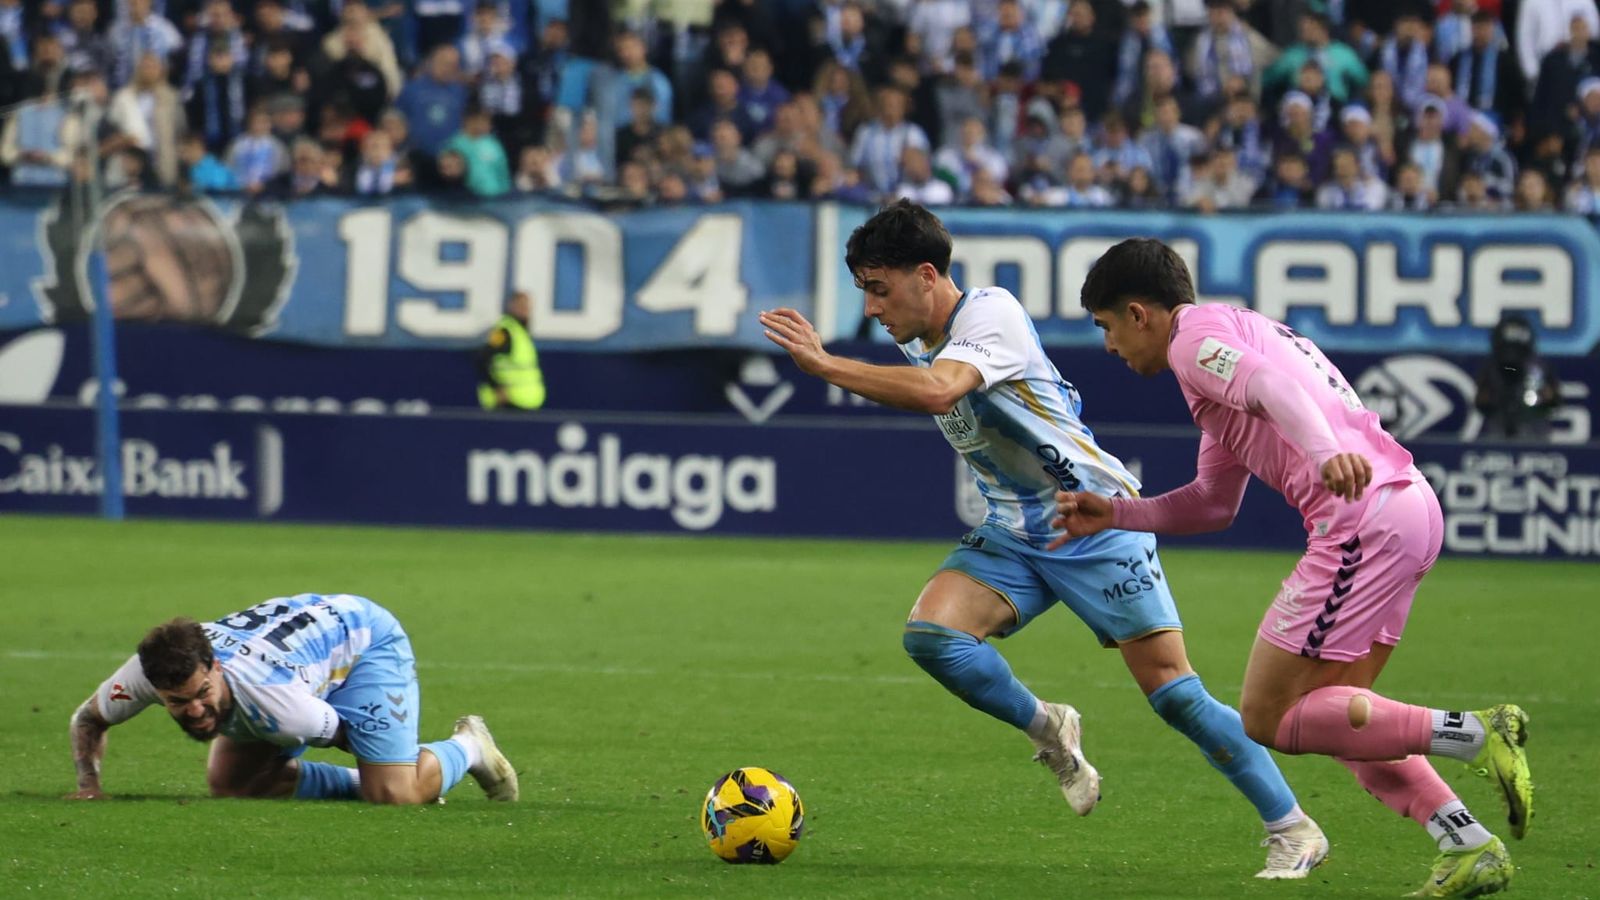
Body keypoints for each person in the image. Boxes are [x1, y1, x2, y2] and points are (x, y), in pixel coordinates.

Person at [759, 201, 1328, 879]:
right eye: (864, 293)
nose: (874, 308)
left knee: (1175, 694)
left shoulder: (988, 312)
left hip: (1093, 520)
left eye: (880, 290)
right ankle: (1049, 728)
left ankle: (1293, 828)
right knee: (932, 638)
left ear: (928, 275)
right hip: (1017, 526)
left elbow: (943, 393)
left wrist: (825, 365)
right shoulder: (915, 335)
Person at [1061, 238, 1534, 898]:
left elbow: (1274, 387)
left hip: (1361, 518)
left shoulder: (1193, 345)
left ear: (1139, 313)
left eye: (1108, 327)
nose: (1111, 346)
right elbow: (1212, 504)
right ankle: (1468, 844)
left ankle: (1476, 732)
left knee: (1265, 715)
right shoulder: (1231, 338)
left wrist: (1322, 452)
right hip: (1408, 507)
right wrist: (1114, 513)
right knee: (1337, 717)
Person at [68, 593, 518, 805]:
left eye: (202, 694)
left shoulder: (281, 708)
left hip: (363, 644)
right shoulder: (147, 672)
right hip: (297, 659)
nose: (196, 711)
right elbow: (86, 721)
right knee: (232, 785)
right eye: (177, 703)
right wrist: (89, 787)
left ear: (216, 667)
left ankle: (470, 746)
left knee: (396, 794)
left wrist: (397, 771)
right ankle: (379, 782)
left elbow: (344, 734)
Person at [1474, 314, 1562, 440]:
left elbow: (1553, 401)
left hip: (1534, 430)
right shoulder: (1492, 369)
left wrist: (1537, 398)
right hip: (1498, 429)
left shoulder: (1538, 369)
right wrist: (1499, 399)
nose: (1512, 355)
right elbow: (1481, 402)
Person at [477, 290, 545, 411]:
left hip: (524, 402)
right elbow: (482, 358)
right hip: (507, 403)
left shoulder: (521, 332)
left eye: (527, 305)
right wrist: (496, 387)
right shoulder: (505, 332)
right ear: (511, 306)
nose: (525, 309)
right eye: (520, 305)